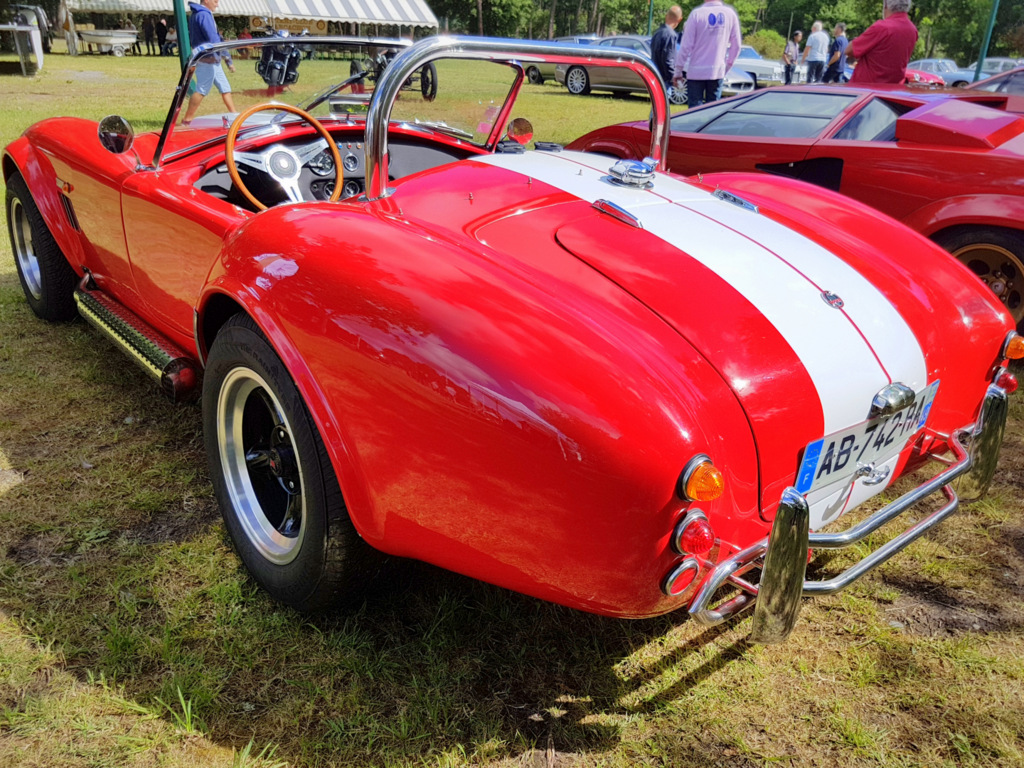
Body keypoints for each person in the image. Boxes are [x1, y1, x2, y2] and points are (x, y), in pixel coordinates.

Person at [672, 0, 741, 109]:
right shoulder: (730, 14)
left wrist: (678, 70)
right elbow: (736, 45)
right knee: (713, 112)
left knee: (694, 111)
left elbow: (686, 46)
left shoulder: (696, 14)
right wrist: (727, 66)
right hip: (717, 71)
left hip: (696, 71)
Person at [181, 0, 236, 125]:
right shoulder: (204, 14)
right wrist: (226, 55)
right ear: (206, 1)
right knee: (201, 90)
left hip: (212, 60)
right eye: (215, 1)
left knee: (225, 88)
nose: (217, 4)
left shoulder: (198, 13)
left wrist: (227, 59)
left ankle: (235, 115)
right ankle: (187, 120)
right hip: (207, 60)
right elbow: (214, 39)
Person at [847, 0, 918, 84]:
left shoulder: (881, 27)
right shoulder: (913, 30)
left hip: (865, 87)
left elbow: (849, 50)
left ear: (886, 5)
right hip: (892, 88)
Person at [650, 6, 683, 87]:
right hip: (664, 80)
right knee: (665, 99)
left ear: (666, 16)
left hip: (655, 76)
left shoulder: (657, 32)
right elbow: (668, 59)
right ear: (680, 19)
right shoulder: (670, 35)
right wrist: (673, 77)